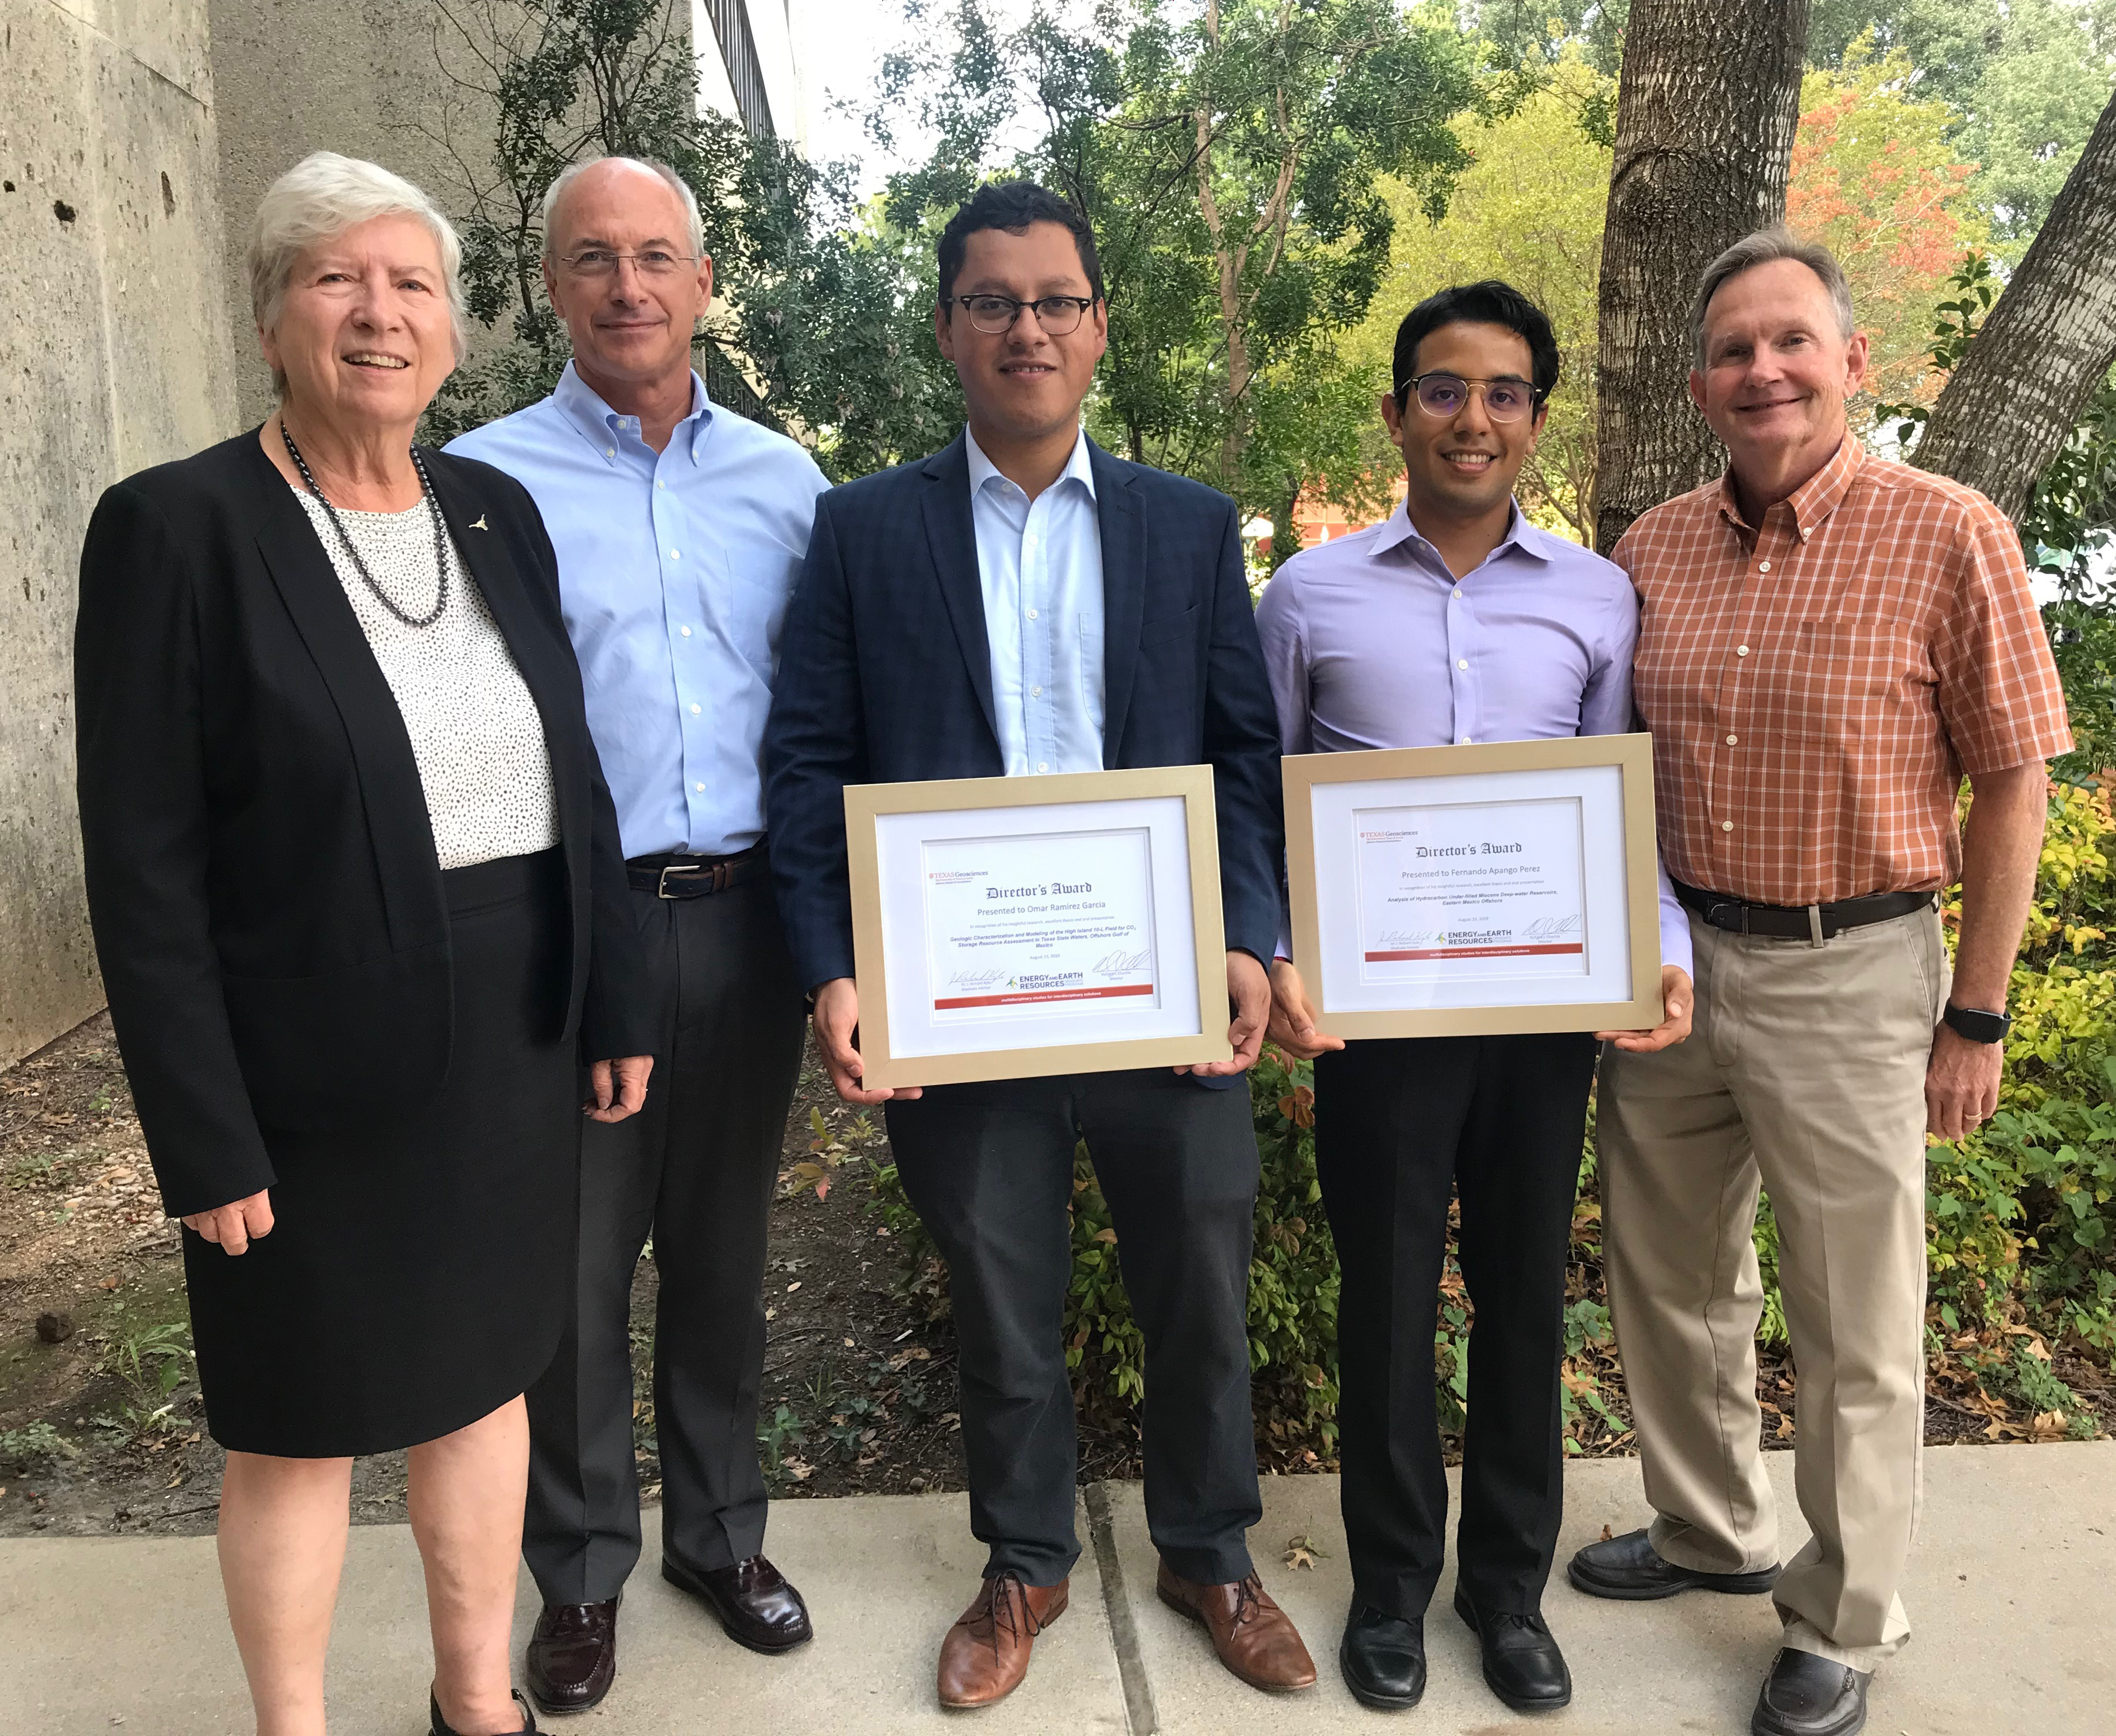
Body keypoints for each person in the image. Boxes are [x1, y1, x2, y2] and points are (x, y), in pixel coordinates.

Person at [73, 152, 653, 1736]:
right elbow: (142, 871)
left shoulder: (494, 510)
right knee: (297, 1429)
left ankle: (479, 1702)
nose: (378, 313)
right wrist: (202, 1134)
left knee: (485, 1384)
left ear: (456, 335)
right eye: (338, 278)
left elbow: (571, 775)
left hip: (512, 1046)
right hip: (301, 1084)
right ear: (272, 316)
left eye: (411, 285)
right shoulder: (176, 529)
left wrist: (613, 992)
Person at [762, 179, 1316, 1710]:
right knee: (1002, 1296)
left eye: (1056, 300)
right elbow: (809, 764)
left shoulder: (1188, 530)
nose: (1028, 327)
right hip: (959, 1001)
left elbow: (1241, 757)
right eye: (995, 300)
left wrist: (1251, 934)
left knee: (1198, 1281)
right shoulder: (863, 531)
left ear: (1098, 328)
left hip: (1166, 994)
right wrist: (834, 966)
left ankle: (1208, 1551)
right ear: (948, 328)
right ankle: (1024, 1564)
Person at [1568, 229, 2070, 1736]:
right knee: (1671, 1276)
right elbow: (1605, 762)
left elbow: (2013, 783)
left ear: (1853, 362)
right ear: (1703, 382)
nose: (1762, 369)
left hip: (1852, 968)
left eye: (1792, 341)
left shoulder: (1947, 530)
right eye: (1732, 350)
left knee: (1859, 1314)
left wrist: (1975, 1011)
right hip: (1671, 964)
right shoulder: (1650, 547)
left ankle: (1843, 1614)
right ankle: (1711, 1530)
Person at [1257, 281, 1695, 1716]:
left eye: (1505, 393)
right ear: (1396, 413)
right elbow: (1259, 799)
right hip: (1375, 1025)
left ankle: (1507, 1594)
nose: (1473, 418)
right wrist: (1271, 951)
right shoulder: (1310, 593)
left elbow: (1618, 803)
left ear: (1535, 420)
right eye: (1444, 389)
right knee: (1383, 1300)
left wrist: (1661, 947)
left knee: (1519, 1300)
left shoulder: (1596, 594)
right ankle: (1392, 1590)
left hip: (1537, 1017)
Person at [445, 154, 826, 1711]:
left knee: (726, 1253)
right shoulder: (475, 478)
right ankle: (584, 1569)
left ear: (704, 281)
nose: (628, 287)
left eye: (658, 256)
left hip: (746, 926)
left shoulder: (787, 482)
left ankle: (721, 1536)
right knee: (576, 1271)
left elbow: (819, 719)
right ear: (552, 285)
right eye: (594, 259)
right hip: (570, 938)